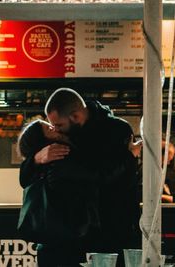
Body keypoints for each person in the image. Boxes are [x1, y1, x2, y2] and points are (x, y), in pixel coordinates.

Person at [41, 88, 142, 266]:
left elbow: (119, 179)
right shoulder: (67, 136)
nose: (55, 130)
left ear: (76, 116)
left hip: (112, 226)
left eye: (59, 125)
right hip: (82, 230)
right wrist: (37, 157)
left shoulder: (115, 130)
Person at [17, 119, 101, 267]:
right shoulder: (62, 160)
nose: (55, 127)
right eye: (49, 128)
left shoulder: (46, 167)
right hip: (66, 244)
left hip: (53, 244)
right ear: (45, 142)